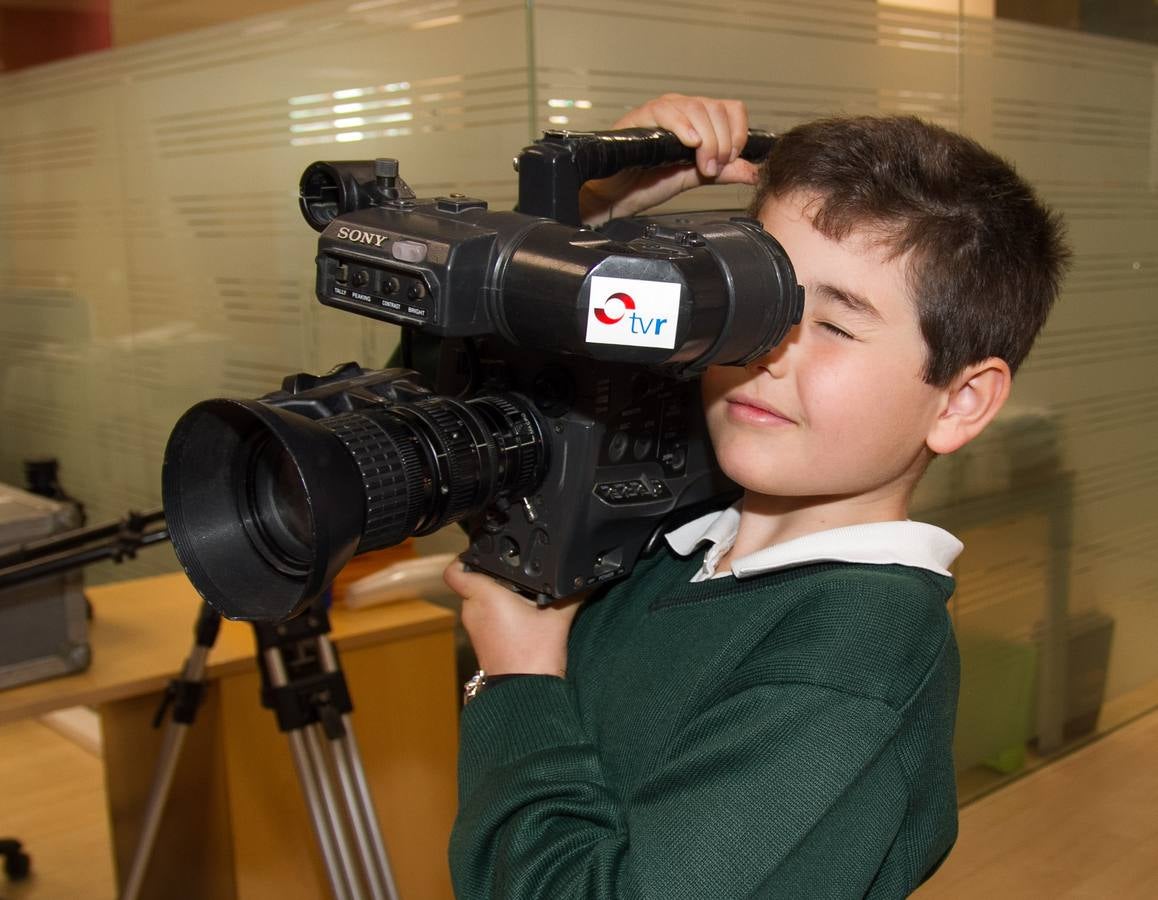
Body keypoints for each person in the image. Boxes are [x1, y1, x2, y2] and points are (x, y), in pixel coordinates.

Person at [443, 94, 1070, 898]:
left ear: (960, 402)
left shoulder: (858, 649)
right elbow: (458, 429)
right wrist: (590, 229)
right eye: (758, 296)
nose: (766, 348)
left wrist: (519, 679)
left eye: (836, 326)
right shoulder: (676, 516)